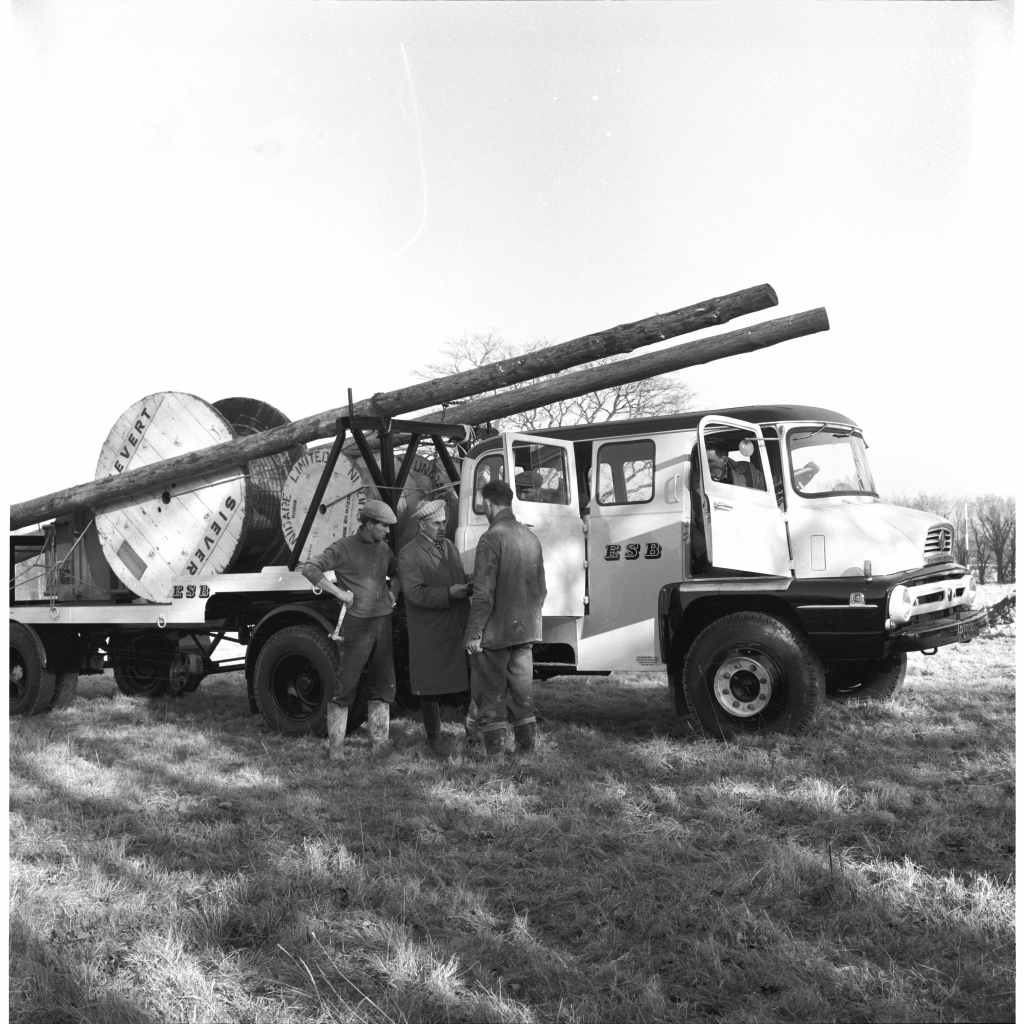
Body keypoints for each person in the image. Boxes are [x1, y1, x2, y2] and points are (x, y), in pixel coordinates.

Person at [300, 498, 399, 760]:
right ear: (368, 524)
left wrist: (393, 593)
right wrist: (338, 593)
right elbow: (310, 569)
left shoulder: (383, 549)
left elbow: (397, 572)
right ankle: (336, 749)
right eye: (384, 526)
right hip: (356, 625)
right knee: (346, 685)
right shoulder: (343, 548)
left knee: (383, 684)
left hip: (382, 622)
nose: (388, 531)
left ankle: (380, 743)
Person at [464, 479, 547, 757]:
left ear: (488, 504)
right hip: (525, 631)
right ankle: (526, 752)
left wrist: (475, 633)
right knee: (523, 694)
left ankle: (495, 758)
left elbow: (483, 593)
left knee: (492, 695)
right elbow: (541, 589)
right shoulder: (530, 537)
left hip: (496, 633)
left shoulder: (491, 538)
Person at [397, 499, 471, 756]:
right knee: (429, 686)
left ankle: (471, 734)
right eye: (437, 524)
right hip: (429, 629)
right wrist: (449, 593)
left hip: (454, 625)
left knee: (465, 681)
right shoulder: (409, 554)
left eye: (444, 523)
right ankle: (434, 738)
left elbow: (458, 578)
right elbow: (415, 594)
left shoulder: (449, 547)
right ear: (422, 525)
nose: (442, 528)